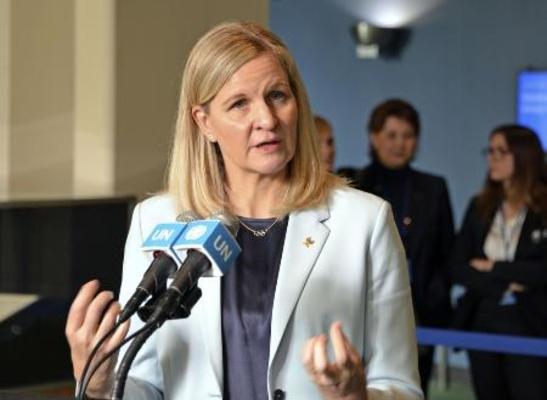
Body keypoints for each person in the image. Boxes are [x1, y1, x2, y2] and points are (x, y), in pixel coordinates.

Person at [65, 22, 422, 400]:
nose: (267, 120)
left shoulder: (364, 222)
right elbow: (146, 385)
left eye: (277, 96)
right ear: (204, 122)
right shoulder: (156, 221)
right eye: (240, 104)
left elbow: (401, 386)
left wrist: (356, 397)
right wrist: (102, 385)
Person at [350, 99, 455, 398]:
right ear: (374, 137)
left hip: (421, 308)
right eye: (391, 135)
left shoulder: (434, 188)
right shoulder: (354, 184)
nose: (400, 144)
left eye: (408, 136)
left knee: (413, 387)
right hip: (364, 305)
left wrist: (435, 294)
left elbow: (448, 252)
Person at [451, 124, 547, 400]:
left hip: (530, 320)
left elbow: (542, 271)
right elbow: (457, 266)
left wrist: (493, 267)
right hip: (483, 314)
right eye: (490, 151)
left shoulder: (542, 209)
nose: (492, 158)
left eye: (501, 152)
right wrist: (506, 283)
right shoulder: (480, 206)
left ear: (524, 156)